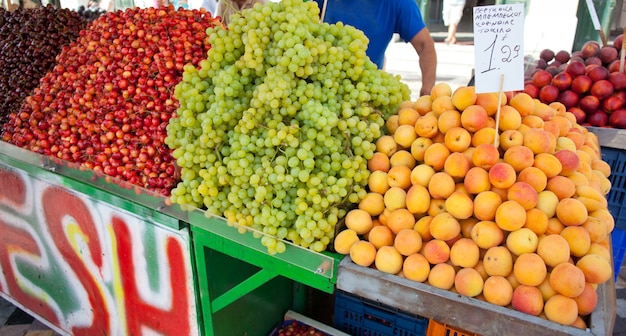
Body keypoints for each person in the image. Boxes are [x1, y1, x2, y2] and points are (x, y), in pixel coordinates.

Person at [312, 0, 437, 97]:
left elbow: (424, 45)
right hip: (321, 86)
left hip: (366, 94)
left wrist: (427, 88)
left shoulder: (398, 3)